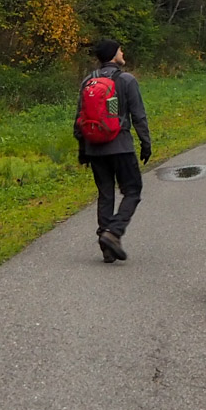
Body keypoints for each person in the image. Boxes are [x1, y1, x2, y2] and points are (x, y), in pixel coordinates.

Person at [75, 38, 151, 262]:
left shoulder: (88, 81)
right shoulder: (126, 80)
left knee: (105, 193)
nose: (122, 52)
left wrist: (83, 148)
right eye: (119, 50)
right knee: (133, 190)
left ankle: (105, 243)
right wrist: (145, 143)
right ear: (113, 54)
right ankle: (114, 232)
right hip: (120, 145)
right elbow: (138, 116)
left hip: (94, 147)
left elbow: (79, 118)